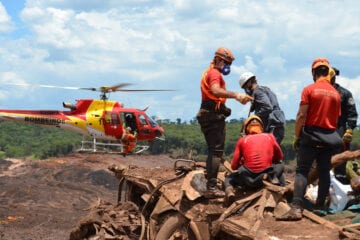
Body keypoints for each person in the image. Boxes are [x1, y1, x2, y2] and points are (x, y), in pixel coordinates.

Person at [277, 58, 343, 221]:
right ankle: (320, 207)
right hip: (329, 137)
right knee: (324, 171)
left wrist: (297, 136)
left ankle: (296, 208)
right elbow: (336, 118)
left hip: (311, 135)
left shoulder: (309, 89)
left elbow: (301, 115)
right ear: (327, 73)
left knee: (302, 171)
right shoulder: (336, 94)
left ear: (314, 73)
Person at [196, 47, 253, 197]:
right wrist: (236, 95)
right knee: (216, 151)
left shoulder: (209, 72)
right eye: (227, 63)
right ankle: (212, 187)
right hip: (212, 116)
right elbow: (215, 90)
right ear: (219, 60)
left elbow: (212, 97)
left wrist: (223, 108)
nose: (228, 67)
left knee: (212, 150)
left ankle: (211, 183)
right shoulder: (214, 73)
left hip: (207, 112)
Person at [224, 115, 285, 205]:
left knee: (229, 178)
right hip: (265, 177)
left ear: (246, 128)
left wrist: (242, 162)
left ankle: (229, 191)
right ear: (261, 127)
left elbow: (233, 166)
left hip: (247, 180)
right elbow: (279, 157)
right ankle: (278, 185)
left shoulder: (242, 140)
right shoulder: (270, 137)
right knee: (280, 164)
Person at [329, 67, 358, 184]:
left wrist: (349, 130)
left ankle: (341, 181)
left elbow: (352, 114)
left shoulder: (345, 94)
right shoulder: (320, 92)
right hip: (323, 129)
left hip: (340, 128)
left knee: (341, 158)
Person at [239, 72, 286, 145]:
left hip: (272, 128)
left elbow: (267, 107)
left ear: (250, 83)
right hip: (276, 127)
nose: (246, 90)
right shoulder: (265, 90)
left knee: (267, 153)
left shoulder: (258, 92)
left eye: (245, 87)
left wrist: (253, 118)